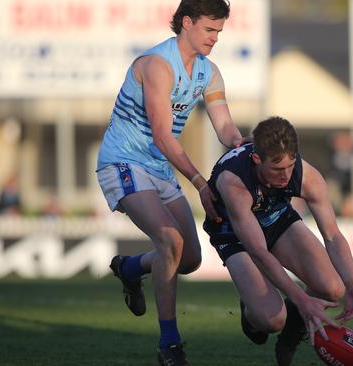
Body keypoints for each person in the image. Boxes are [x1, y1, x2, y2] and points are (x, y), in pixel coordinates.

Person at [95, 1, 247, 365]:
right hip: (124, 163)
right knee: (170, 241)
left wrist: (244, 145)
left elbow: (224, 125)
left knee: (190, 259)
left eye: (219, 32)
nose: (215, 38)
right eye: (210, 30)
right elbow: (163, 136)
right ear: (187, 22)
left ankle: (130, 269)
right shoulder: (157, 66)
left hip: (160, 170)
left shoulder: (209, 73)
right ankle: (170, 344)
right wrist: (199, 182)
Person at [202, 117, 353, 366]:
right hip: (234, 235)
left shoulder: (305, 174)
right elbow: (258, 252)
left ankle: (292, 332)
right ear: (257, 160)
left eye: (290, 166)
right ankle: (251, 309)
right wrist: (303, 300)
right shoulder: (234, 181)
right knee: (271, 320)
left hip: (276, 219)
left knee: (334, 289)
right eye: (277, 170)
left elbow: (332, 234)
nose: (285, 176)